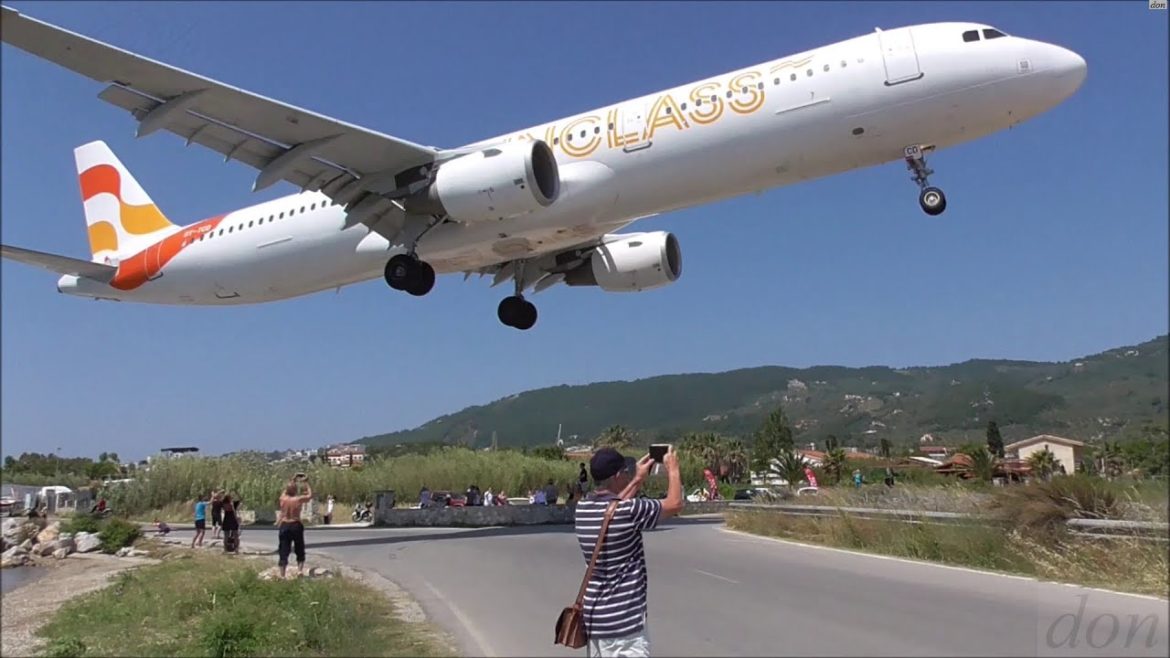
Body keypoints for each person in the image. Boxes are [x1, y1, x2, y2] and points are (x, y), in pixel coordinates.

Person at [574, 446, 683, 657]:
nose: (628, 475)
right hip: (625, 627)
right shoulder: (630, 511)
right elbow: (675, 504)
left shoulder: (582, 509)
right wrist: (673, 469)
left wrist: (637, 480)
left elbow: (612, 509)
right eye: (626, 472)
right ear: (616, 476)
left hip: (596, 623)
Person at [277, 475, 312, 578]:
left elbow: (285, 491)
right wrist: (306, 483)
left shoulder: (282, 499)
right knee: (299, 547)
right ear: (295, 490)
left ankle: (282, 575)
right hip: (296, 524)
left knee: (283, 549)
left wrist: (292, 480)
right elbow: (310, 495)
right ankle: (300, 570)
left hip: (285, 524)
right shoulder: (298, 499)